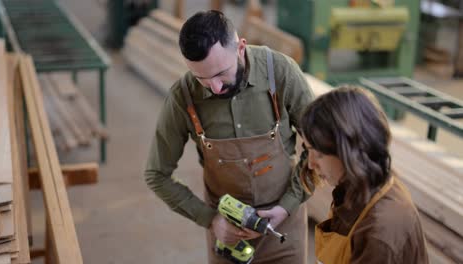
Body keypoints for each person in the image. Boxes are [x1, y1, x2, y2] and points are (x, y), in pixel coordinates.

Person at [144, 10, 315, 264]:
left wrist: (288, 203)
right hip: (228, 234)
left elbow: (322, 148)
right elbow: (156, 175)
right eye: (202, 78)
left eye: (220, 73)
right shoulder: (183, 97)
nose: (214, 87)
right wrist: (210, 219)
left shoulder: (280, 73)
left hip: (284, 228)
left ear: (240, 48)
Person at [299, 86, 429, 264]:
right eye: (308, 151)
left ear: (350, 150)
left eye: (319, 154)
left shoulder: (380, 234)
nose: (312, 164)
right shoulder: (357, 188)